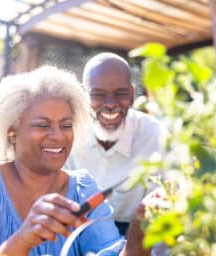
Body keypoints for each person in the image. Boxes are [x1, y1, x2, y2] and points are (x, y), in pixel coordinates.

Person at [0, 66, 150, 255]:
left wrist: (138, 235)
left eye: (66, 125)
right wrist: (22, 241)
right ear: (12, 132)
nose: (58, 136)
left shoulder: (83, 190)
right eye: (43, 125)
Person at [66, 52, 168, 236]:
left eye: (120, 94)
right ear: (84, 97)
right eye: (98, 94)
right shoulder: (70, 135)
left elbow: (162, 216)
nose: (110, 104)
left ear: (131, 95)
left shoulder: (155, 135)